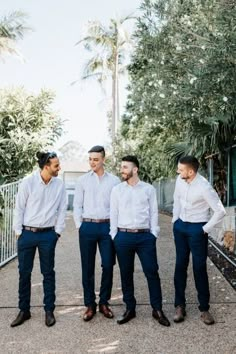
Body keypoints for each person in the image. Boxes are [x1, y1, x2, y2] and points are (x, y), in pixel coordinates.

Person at [110, 155, 170, 326]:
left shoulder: (148, 189)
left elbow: (153, 213)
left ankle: (157, 309)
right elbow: (113, 214)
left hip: (145, 237)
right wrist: (115, 235)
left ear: (135, 169)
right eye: (121, 167)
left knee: (152, 271)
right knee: (126, 273)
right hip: (123, 236)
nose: (122, 170)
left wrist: (153, 234)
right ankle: (130, 309)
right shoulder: (117, 190)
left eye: (125, 167)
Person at [11, 151, 67, 328]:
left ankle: (49, 311)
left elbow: (63, 209)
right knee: (24, 273)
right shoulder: (28, 182)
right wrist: (19, 232)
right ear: (46, 167)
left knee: (48, 273)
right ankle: (24, 310)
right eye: (56, 165)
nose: (59, 168)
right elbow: (19, 208)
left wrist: (56, 233)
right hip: (27, 234)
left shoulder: (59, 185)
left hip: (48, 235)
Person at [172, 155, 226, 325]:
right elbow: (176, 200)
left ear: (191, 171)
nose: (177, 171)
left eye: (181, 169)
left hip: (197, 229)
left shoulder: (204, 187)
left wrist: (203, 229)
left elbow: (220, 211)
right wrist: (175, 220)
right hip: (180, 227)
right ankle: (179, 306)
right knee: (180, 265)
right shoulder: (179, 180)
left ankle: (204, 308)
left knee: (199, 268)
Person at [73, 145, 120, 321]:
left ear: (103, 160)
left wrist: (115, 228)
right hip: (88, 227)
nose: (92, 162)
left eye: (96, 159)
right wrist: (80, 225)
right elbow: (77, 205)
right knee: (87, 267)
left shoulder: (114, 181)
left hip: (107, 228)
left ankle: (104, 303)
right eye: (90, 159)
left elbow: (117, 206)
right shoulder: (82, 180)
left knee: (108, 264)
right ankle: (90, 305)